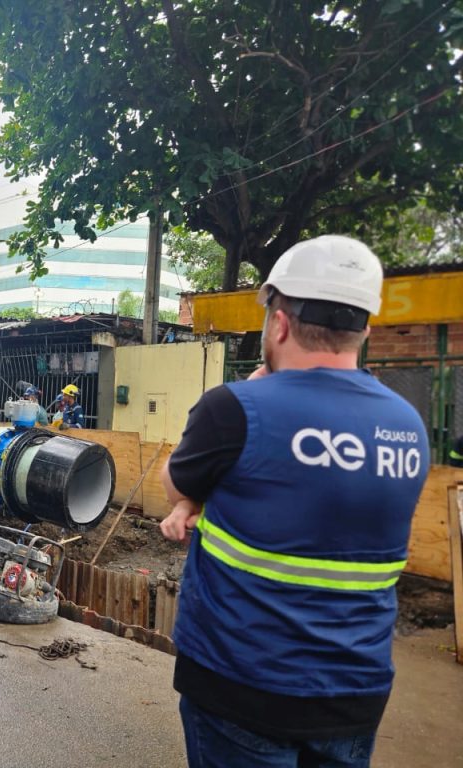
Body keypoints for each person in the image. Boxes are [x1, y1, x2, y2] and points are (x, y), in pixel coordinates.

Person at [159, 235, 430, 768]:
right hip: (356, 692)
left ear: (279, 323)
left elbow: (176, 486)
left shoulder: (234, 409)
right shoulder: (407, 426)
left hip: (242, 687)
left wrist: (259, 390)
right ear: (364, 329)